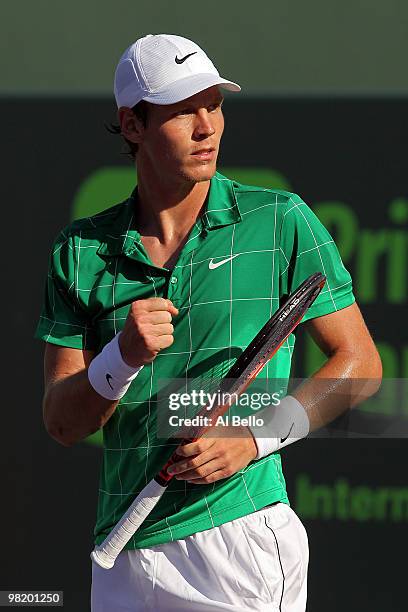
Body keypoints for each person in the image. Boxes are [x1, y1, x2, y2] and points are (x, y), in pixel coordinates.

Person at [36, 34, 382, 611]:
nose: (207, 127)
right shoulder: (80, 249)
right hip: (122, 549)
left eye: (214, 104)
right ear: (132, 125)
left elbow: (361, 366)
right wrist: (119, 357)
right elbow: (61, 422)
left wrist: (253, 438)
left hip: (238, 539)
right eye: (182, 111)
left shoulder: (280, 221)